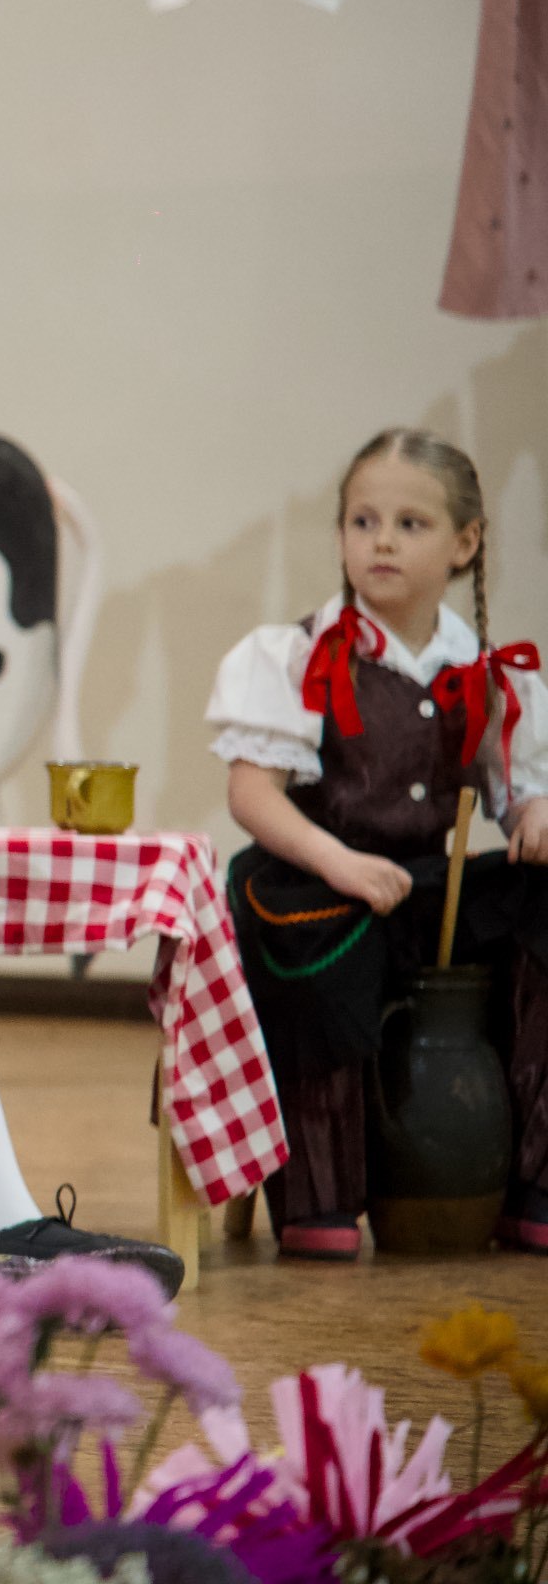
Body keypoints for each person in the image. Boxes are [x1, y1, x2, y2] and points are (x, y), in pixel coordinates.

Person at [209, 427, 548, 1259]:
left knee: (544, 903)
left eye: (410, 524)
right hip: (318, 873)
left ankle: (524, 1180)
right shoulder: (298, 655)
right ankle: (319, 1193)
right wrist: (339, 861)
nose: (382, 542)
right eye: (363, 522)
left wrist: (534, 812)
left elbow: (513, 790)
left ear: (465, 544)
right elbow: (252, 794)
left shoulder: (489, 670)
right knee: (311, 941)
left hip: (427, 882)